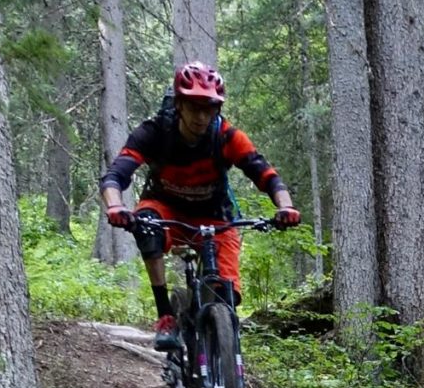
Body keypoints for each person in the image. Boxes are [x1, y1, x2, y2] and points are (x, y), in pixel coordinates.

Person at [100, 64, 302, 350]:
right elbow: (116, 174)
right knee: (147, 229)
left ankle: (223, 356)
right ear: (179, 104)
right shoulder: (155, 132)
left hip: (215, 217)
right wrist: (116, 206)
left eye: (209, 108)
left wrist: (286, 207)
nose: (202, 116)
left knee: (226, 298)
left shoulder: (227, 136)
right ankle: (165, 316)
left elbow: (265, 174)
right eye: (194, 107)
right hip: (165, 210)